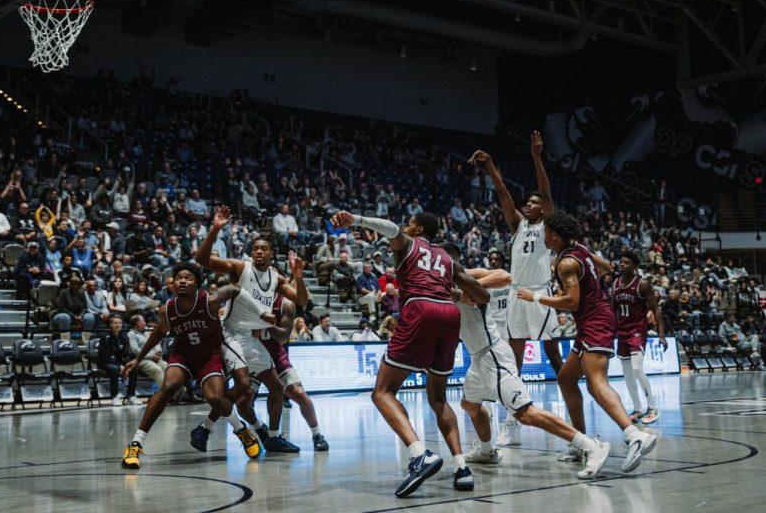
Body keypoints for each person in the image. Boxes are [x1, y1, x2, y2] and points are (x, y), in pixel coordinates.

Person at [331, 209, 489, 497]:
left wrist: (357, 220)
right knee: (439, 398)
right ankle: (461, 466)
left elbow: (391, 229)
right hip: (450, 315)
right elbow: (482, 295)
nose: (405, 227)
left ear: (417, 231)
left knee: (382, 391)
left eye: (410, 224)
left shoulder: (409, 243)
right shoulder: (447, 258)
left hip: (420, 309)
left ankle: (419, 453)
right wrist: (455, 294)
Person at [442, 243, 611, 480]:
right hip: (477, 358)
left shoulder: (466, 277)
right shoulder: (438, 285)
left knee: (526, 414)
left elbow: (504, 276)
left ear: (449, 261)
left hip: (493, 355)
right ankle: (487, 451)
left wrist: (469, 290)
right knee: (469, 405)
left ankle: (591, 446)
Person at [517, 211, 657, 473]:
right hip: (591, 321)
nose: (543, 236)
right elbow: (605, 268)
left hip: (595, 321)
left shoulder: (565, 263)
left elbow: (572, 302)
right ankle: (581, 441)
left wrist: (535, 297)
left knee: (596, 383)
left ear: (555, 235)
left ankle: (634, 434)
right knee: (566, 379)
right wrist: (583, 280)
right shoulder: (578, 249)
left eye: (546, 232)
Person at [469, 132, 563, 447]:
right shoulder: (518, 225)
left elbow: (546, 192)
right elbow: (503, 191)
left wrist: (536, 156)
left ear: (544, 208)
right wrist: (491, 164)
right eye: (530, 201)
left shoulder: (548, 226)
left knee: (553, 355)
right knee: (515, 358)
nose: (530, 202)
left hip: (539, 293)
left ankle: (572, 410)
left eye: (535, 201)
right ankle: (513, 418)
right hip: (516, 295)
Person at [193, 206, 311, 452]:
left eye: (263, 248)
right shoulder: (240, 268)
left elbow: (301, 300)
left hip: (251, 339)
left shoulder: (276, 279)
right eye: (255, 248)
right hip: (230, 334)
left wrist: (298, 276)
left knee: (278, 386)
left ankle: (274, 436)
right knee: (244, 386)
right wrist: (215, 228)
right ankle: (205, 427)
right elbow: (202, 260)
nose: (258, 251)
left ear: (271, 254)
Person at [120, 264, 261, 469]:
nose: (183, 281)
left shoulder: (210, 301)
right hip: (183, 356)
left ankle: (241, 430)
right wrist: (138, 358)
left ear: (197, 284)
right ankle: (135, 444)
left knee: (215, 397)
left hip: (210, 357)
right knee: (168, 386)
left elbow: (234, 289)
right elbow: (158, 333)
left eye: (188, 278)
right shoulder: (167, 309)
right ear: (173, 284)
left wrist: (260, 314)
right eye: (179, 278)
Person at [248, 293, 329, 450]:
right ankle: (260, 428)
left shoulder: (284, 303)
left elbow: (283, 338)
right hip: (253, 355)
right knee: (243, 403)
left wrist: (265, 324)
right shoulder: (249, 296)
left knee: (299, 393)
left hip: (276, 355)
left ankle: (317, 434)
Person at [613, 252, 667, 424]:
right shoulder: (615, 284)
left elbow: (656, 309)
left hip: (637, 330)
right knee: (627, 373)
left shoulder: (642, 284)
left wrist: (661, 334)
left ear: (634, 266)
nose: (622, 264)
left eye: (626, 262)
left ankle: (652, 406)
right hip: (621, 332)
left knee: (637, 368)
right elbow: (612, 310)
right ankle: (638, 408)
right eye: (621, 261)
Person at [97, 316, 139, 406]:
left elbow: (128, 354)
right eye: (115, 323)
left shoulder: (124, 337)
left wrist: (127, 366)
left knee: (134, 368)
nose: (117, 325)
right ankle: (114, 396)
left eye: (119, 323)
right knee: (115, 369)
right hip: (105, 363)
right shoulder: (105, 337)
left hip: (120, 363)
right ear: (111, 325)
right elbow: (105, 356)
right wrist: (120, 366)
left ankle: (131, 395)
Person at [126, 315, 168, 385]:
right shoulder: (131, 334)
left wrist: (158, 351)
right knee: (156, 370)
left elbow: (155, 341)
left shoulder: (147, 331)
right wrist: (151, 356)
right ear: (138, 323)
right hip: (141, 360)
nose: (145, 323)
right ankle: (168, 391)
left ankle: (178, 390)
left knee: (168, 367)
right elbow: (134, 349)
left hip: (155, 358)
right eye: (143, 321)